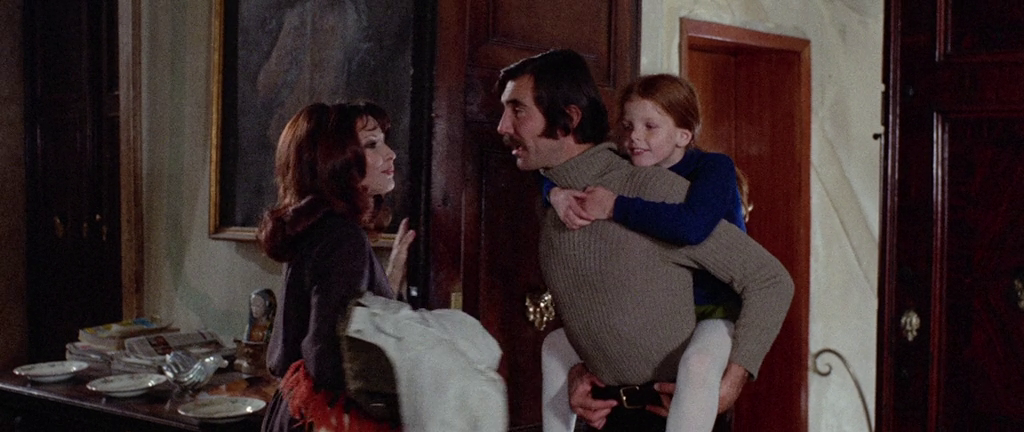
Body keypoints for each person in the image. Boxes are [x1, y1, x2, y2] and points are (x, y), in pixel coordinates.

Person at [496, 49, 794, 431]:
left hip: (675, 409)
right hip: (605, 416)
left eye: (517, 110)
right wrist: (578, 369)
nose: (502, 126)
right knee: (553, 346)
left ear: (569, 118)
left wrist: (731, 382)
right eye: (629, 126)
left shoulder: (658, 190)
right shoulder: (553, 200)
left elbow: (768, 280)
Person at [539, 74, 752, 432]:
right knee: (555, 345)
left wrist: (614, 206)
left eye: (650, 127)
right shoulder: (626, 166)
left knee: (698, 364)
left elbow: (691, 226)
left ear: (683, 135)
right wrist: (554, 193)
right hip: (653, 314)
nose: (634, 137)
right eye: (628, 126)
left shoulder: (712, 168)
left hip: (711, 311)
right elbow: (556, 168)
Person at [258, 101, 416, 432]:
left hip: (295, 411)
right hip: (326, 419)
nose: (391, 154)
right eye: (372, 144)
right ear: (336, 161)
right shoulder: (343, 237)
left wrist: (389, 279)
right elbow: (328, 357)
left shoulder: (318, 229)